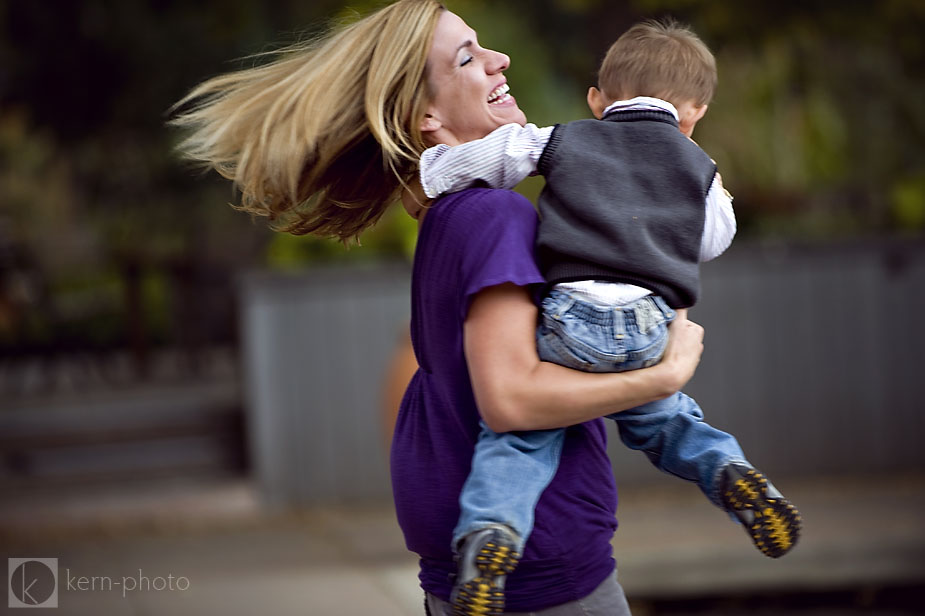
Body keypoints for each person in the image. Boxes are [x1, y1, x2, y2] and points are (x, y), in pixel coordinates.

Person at [170, 2, 707, 614]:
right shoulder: (493, 215)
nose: (498, 59)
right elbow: (511, 401)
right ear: (426, 115)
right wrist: (663, 377)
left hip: (486, 578)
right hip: (546, 580)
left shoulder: (451, 219)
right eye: (468, 56)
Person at [418, 17, 803, 611]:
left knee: (520, 442)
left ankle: (491, 531)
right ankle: (729, 470)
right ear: (695, 111)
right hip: (649, 326)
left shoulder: (566, 137)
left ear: (597, 100)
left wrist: (429, 178)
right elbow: (713, 238)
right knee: (669, 419)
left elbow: (500, 157)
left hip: (574, 319)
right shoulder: (696, 167)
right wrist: (692, 169)